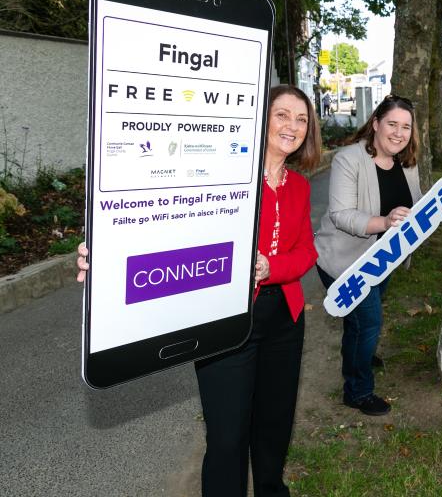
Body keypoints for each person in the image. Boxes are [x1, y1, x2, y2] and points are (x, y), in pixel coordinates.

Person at [77, 84, 322, 497]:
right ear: (261, 120)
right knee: (227, 436)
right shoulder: (222, 178)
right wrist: (105, 258)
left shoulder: (298, 185)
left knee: (275, 423)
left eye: (301, 119)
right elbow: (166, 224)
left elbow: (307, 252)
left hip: (285, 318)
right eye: (282, 115)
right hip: (225, 324)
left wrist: (270, 267)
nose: (292, 126)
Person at [314, 95, 422, 416]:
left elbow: (414, 204)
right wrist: (385, 221)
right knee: (369, 319)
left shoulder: (407, 162)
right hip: (343, 259)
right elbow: (342, 215)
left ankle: (361, 349)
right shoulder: (348, 159)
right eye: (392, 124)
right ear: (376, 124)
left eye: (406, 126)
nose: (399, 133)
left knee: (362, 322)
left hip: (383, 257)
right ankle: (358, 391)